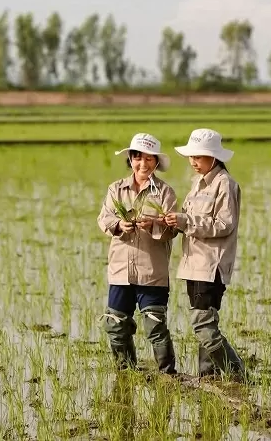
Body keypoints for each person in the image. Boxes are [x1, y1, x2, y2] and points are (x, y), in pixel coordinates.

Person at [164, 127, 246, 381]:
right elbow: (189, 221)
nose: (193, 162)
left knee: (203, 324)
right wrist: (172, 223)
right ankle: (208, 375)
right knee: (206, 323)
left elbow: (224, 224)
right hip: (193, 263)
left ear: (214, 157)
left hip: (211, 265)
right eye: (191, 156)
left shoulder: (225, 184)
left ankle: (236, 373)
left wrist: (185, 221)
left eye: (198, 157)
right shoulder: (196, 185)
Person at [96, 133, 180, 374]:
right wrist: (119, 225)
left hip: (151, 271)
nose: (143, 164)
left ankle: (167, 375)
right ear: (130, 160)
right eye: (137, 158)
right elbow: (104, 218)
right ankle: (126, 372)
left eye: (149, 159)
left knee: (155, 327)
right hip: (121, 270)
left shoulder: (165, 193)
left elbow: (172, 230)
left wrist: (153, 224)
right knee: (115, 325)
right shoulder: (116, 189)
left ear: (156, 163)